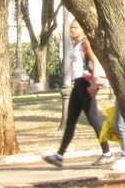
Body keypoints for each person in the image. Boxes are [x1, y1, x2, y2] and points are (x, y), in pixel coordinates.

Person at [43, 20, 113, 168]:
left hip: (86, 83)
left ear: (82, 29)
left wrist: (94, 82)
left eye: (75, 28)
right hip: (77, 84)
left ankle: (107, 152)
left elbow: (94, 60)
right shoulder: (75, 45)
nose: (72, 30)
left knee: (94, 118)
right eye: (71, 28)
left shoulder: (85, 42)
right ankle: (59, 155)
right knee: (71, 120)